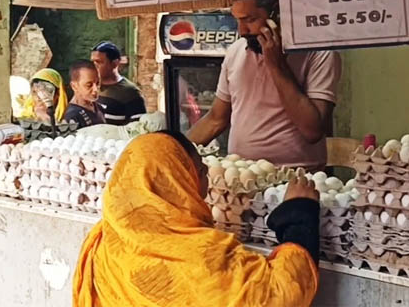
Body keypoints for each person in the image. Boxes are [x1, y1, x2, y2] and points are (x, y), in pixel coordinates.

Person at [73, 131, 320, 307]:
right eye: (200, 171)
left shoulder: (104, 243)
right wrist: (298, 216)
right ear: (176, 182)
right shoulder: (201, 256)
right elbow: (279, 295)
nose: (206, 182)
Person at [188, 0, 340, 171]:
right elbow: (216, 119)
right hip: (241, 177)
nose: (242, 30)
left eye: (250, 19)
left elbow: (312, 130)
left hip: (296, 177)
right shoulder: (236, 52)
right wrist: (172, 149)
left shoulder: (319, 52)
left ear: (277, 14)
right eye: (237, 20)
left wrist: (276, 65)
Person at [90, 41, 147, 125]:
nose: (94, 66)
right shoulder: (90, 86)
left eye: (99, 62)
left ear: (115, 63)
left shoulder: (130, 92)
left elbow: (138, 127)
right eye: (93, 62)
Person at [65, 60, 106, 129]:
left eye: (97, 83)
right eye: (89, 85)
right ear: (74, 86)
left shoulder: (98, 106)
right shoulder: (72, 116)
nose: (95, 89)